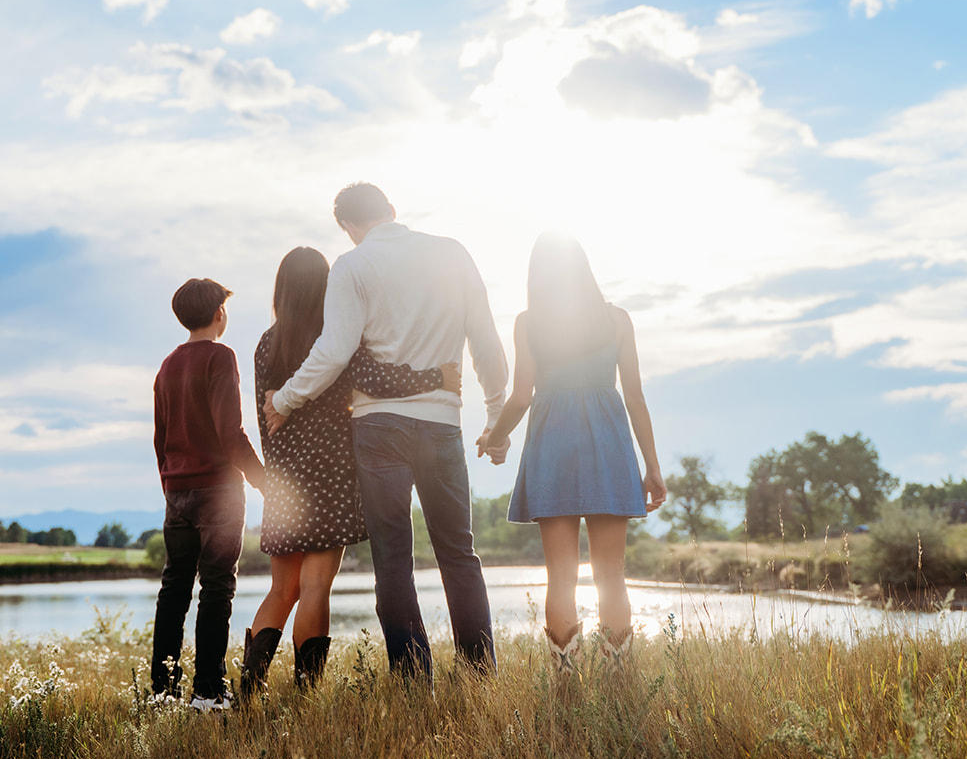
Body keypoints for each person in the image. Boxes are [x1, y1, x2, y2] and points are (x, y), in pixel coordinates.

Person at [264, 183, 509, 681]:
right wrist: (496, 418)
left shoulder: (353, 265)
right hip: (441, 422)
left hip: (378, 428)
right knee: (459, 552)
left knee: (393, 558)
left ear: (349, 228)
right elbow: (485, 337)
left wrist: (284, 401)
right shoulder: (452, 252)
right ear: (393, 211)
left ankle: (415, 679)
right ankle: (480, 673)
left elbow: (334, 353)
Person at [239, 247, 461, 699]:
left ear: (281, 290)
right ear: (326, 289)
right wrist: (435, 377)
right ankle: (305, 696)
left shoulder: (266, 343)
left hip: (284, 481)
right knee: (316, 584)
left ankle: (248, 690)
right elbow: (377, 380)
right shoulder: (333, 336)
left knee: (282, 589)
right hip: (332, 477)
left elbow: (264, 413)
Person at [477, 234, 667, 673]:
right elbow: (635, 397)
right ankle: (620, 683)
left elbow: (522, 396)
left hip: (552, 443)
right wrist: (652, 466)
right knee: (611, 577)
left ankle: (566, 685)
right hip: (610, 443)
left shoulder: (528, 323)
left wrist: (494, 438)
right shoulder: (617, 319)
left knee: (560, 577)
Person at [149, 277, 265, 710]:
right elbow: (230, 433)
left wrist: (169, 483)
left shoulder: (166, 366)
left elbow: (160, 437)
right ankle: (209, 693)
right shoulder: (221, 357)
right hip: (218, 490)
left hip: (176, 491)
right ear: (219, 313)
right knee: (217, 588)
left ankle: (162, 691)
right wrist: (263, 481)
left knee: (174, 588)